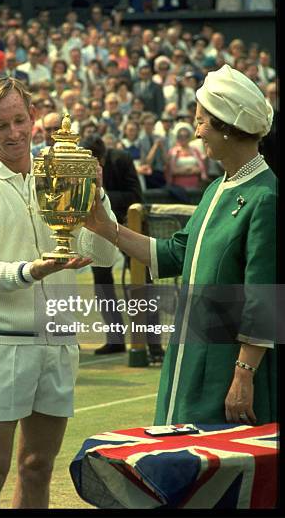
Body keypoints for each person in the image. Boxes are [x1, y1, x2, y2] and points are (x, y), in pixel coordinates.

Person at [0, 76, 117, 508]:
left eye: (20, 120)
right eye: (1, 126)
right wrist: (30, 271)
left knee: (38, 466)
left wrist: (98, 199)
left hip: (59, 339)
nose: (14, 133)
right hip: (1, 342)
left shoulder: (61, 173)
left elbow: (105, 257)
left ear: (34, 117)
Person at [85, 64, 277, 426]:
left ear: (228, 126)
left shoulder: (266, 197)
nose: (197, 130)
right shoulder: (216, 189)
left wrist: (243, 374)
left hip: (227, 369)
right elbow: (172, 254)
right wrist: (102, 225)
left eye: (202, 120)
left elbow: (264, 298)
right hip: (189, 359)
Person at [81, 134, 142, 355]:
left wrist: (101, 196)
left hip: (129, 224)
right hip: (98, 230)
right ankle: (115, 338)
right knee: (102, 284)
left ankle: (151, 342)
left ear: (103, 159)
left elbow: (136, 195)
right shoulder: (80, 165)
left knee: (140, 282)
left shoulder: (122, 159)